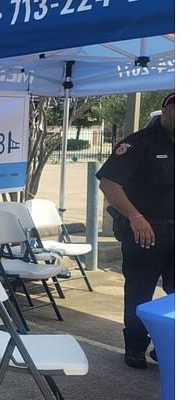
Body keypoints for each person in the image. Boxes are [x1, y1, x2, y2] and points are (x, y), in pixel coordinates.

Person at [96, 92, 174, 369]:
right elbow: (109, 184)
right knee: (140, 293)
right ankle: (136, 347)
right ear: (165, 111)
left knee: (179, 295)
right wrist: (135, 216)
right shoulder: (139, 143)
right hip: (145, 231)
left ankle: (168, 346)